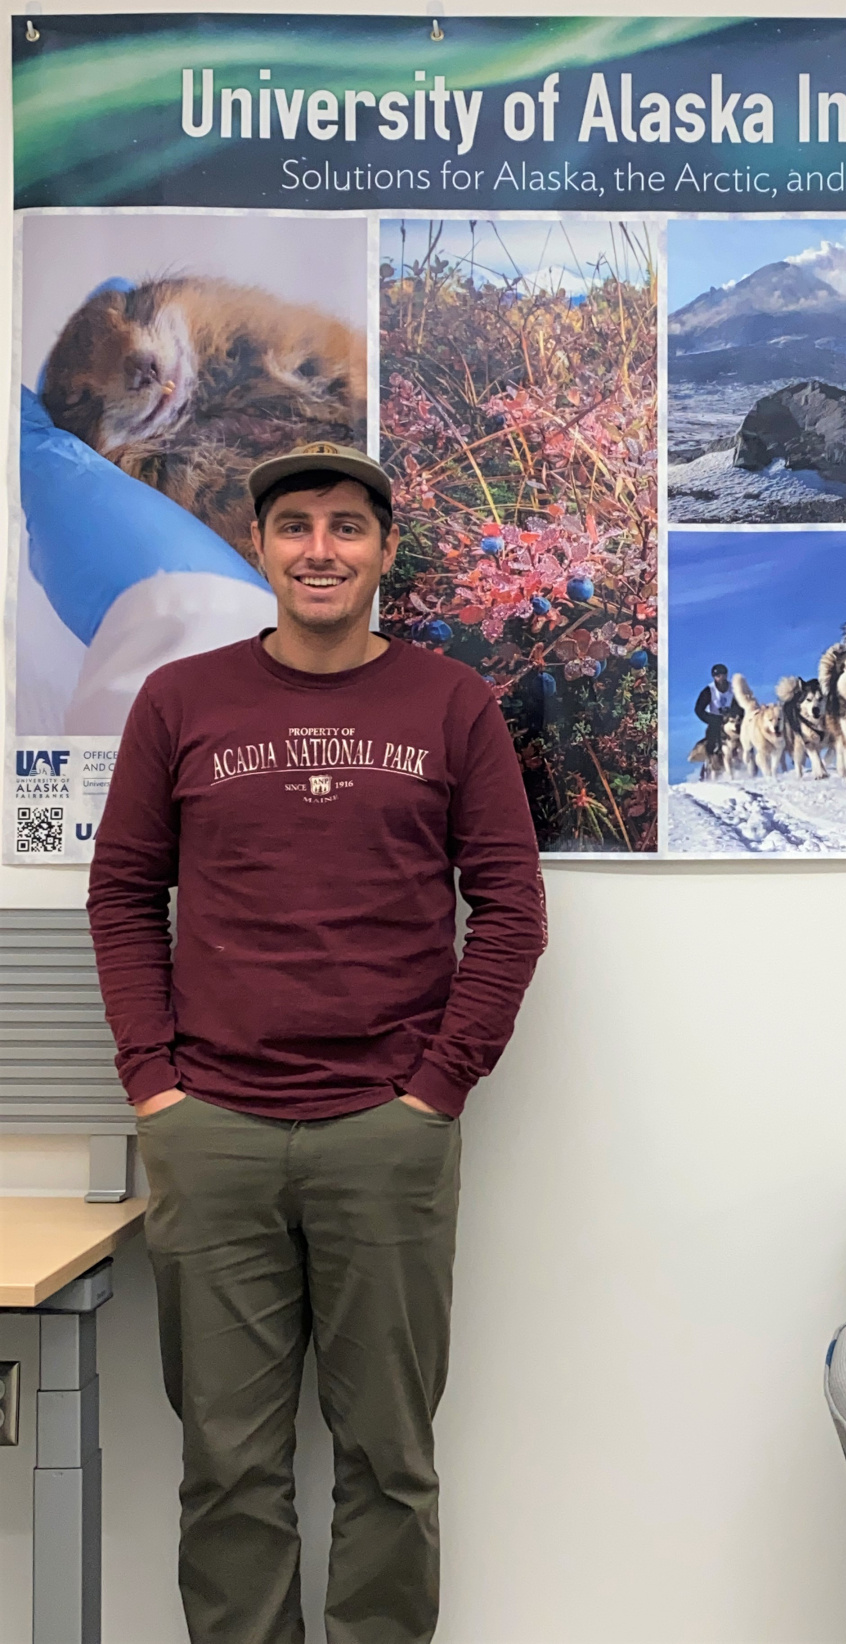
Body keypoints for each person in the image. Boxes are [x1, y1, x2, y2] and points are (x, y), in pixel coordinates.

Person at [87, 441, 548, 1644]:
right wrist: (155, 1087)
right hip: (215, 1134)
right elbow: (123, 895)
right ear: (260, 547)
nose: (321, 549)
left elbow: (511, 909)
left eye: (348, 527)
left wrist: (438, 1091)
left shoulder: (451, 704)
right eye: (295, 526)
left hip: (385, 1140)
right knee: (227, 1470)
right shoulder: (180, 703)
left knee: (390, 1463)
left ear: (387, 551)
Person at [694, 663, 736, 763]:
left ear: (726, 675)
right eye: (717, 676)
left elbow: (740, 704)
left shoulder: (734, 688)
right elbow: (699, 709)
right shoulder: (709, 690)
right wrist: (710, 719)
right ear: (714, 677)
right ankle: (711, 761)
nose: (721, 678)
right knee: (712, 740)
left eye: (723, 675)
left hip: (732, 720)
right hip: (715, 721)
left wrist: (735, 714)